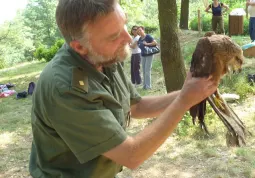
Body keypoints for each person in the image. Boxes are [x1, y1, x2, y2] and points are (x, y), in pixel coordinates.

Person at [29, 0, 219, 177]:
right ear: (79, 47)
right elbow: (131, 155)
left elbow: (137, 106)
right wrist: (184, 101)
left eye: (124, 24)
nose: (128, 38)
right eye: (113, 36)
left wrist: (194, 91)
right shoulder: (64, 87)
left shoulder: (105, 55)